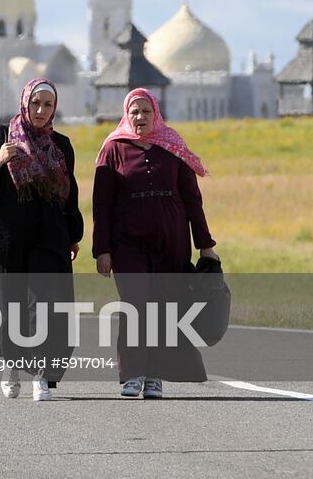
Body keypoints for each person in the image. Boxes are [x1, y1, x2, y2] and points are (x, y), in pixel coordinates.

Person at [93, 87, 218, 400]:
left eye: (145, 111)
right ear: (126, 114)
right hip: (127, 245)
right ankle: (131, 374)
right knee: (136, 305)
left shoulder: (173, 145)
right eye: (134, 111)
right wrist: (102, 250)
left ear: (156, 113)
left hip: (171, 243)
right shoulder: (113, 148)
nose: (140, 117)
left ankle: (154, 376)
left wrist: (205, 244)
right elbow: (102, 204)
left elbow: (192, 199)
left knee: (163, 308)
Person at [0, 78, 83, 402]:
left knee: (47, 305)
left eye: (47, 104)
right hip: (9, 239)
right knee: (10, 306)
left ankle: (43, 374)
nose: (41, 110)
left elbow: (69, 196)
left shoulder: (62, 145)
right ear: (24, 103)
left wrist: (74, 236)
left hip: (50, 236)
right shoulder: (3, 135)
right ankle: (12, 366)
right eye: (36, 103)